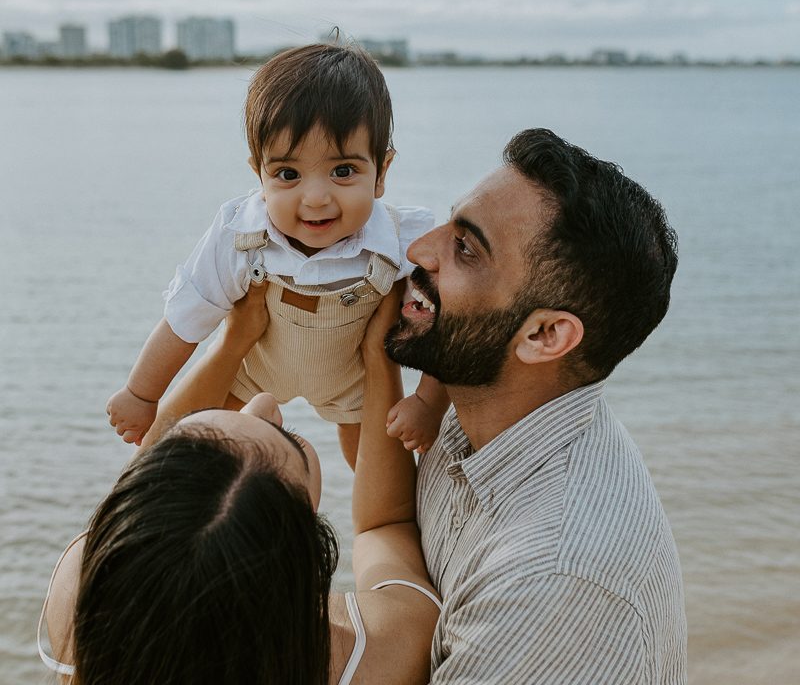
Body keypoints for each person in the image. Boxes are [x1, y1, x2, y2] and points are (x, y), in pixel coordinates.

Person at [384, 128, 687, 682]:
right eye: (451, 223)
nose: (419, 249)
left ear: (546, 335)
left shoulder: (551, 577)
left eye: (466, 248)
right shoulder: (479, 407)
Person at [39, 282, 441, 684]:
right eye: (289, 441)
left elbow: (144, 486)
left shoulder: (84, 608)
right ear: (306, 554)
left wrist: (236, 340)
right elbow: (385, 524)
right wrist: (376, 356)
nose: (265, 403)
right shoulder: (384, 650)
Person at [106, 42, 449, 467]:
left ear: (382, 172)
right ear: (259, 175)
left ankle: (381, 525)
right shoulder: (241, 233)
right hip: (255, 371)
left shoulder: (401, 241)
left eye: (343, 171)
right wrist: (142, 393)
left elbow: (446, 322)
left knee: (373, 469)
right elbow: (186, 316)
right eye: (288, 174)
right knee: (191, 449)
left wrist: (428, 403)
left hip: (354, 383)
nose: (316, 198)